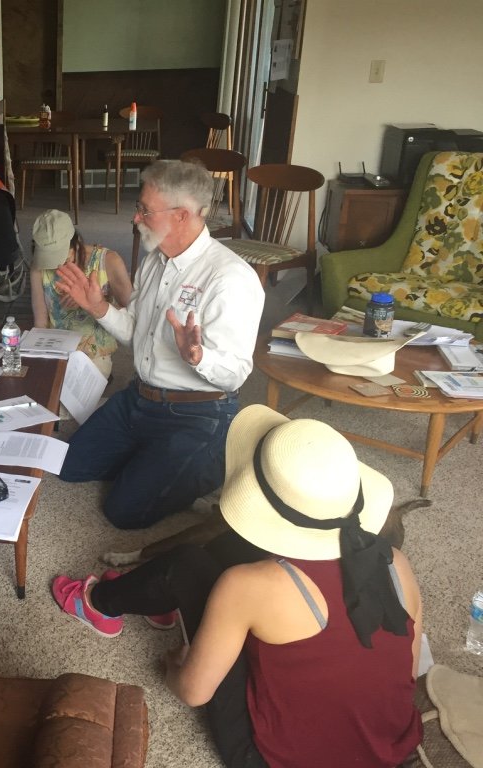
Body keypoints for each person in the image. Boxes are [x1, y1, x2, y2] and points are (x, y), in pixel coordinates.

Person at [52, 404, 423, 768]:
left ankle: (97, 603)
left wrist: (175, 665)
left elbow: (193, 693)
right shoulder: (398, 565)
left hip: (266, 757)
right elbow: (405, 671)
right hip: (389, 750)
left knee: (187, 563)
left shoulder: (248, 584)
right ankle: (159, 602)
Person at [56, 159, 265, 529]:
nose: (135, 218)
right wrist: (98, 307)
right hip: (140, 399)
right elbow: (135, 332)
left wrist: (197, 357)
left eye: (143, 210)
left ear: (182, 216)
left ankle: (210, 463)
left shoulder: (230, 279)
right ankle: (157, 462)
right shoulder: (155, 260)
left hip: (196, 415)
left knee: (124, 512)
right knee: (70, 467)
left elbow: (235, 376)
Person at [30, 209, 132, 378]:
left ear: (75, 243)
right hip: (55, 348)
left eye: (62, 258)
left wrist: (94, 303)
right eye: (49, 259)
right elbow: (40, 323)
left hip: (95, 352)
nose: (56, 266)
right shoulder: (38, 267)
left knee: (67, 397)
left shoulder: (108, 261)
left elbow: (133, 315)